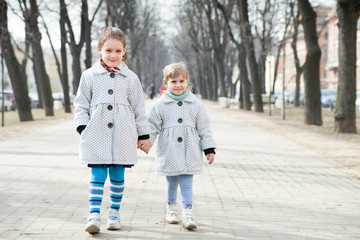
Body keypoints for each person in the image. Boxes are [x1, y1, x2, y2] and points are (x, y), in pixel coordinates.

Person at [73, 27, 151, 234]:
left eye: (118, 51)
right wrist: (83, 127)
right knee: (97, 175)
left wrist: (143, 135)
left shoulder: (131, 78)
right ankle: (94, 215)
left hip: (123, 135)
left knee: (117, 175)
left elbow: (138, 108)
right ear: (99, 49)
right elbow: (81, 104)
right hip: (96, 133)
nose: (113, 55)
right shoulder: (89, 76)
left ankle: (114, 213)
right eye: (108, 50)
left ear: (124, 51)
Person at [145, 62, 216, 230]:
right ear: (166, 83)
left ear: (187, 81)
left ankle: (188, 212)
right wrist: (147, 142)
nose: (178, 85)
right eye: (173, 82)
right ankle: (171, 209)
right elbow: (152, 126)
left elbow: (204, 127)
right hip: (169, 150)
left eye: (181, 81)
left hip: (190, 150)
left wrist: (209, 148)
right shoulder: (160, 105)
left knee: (186, 183)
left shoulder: (196, 104)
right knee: (171, 183)